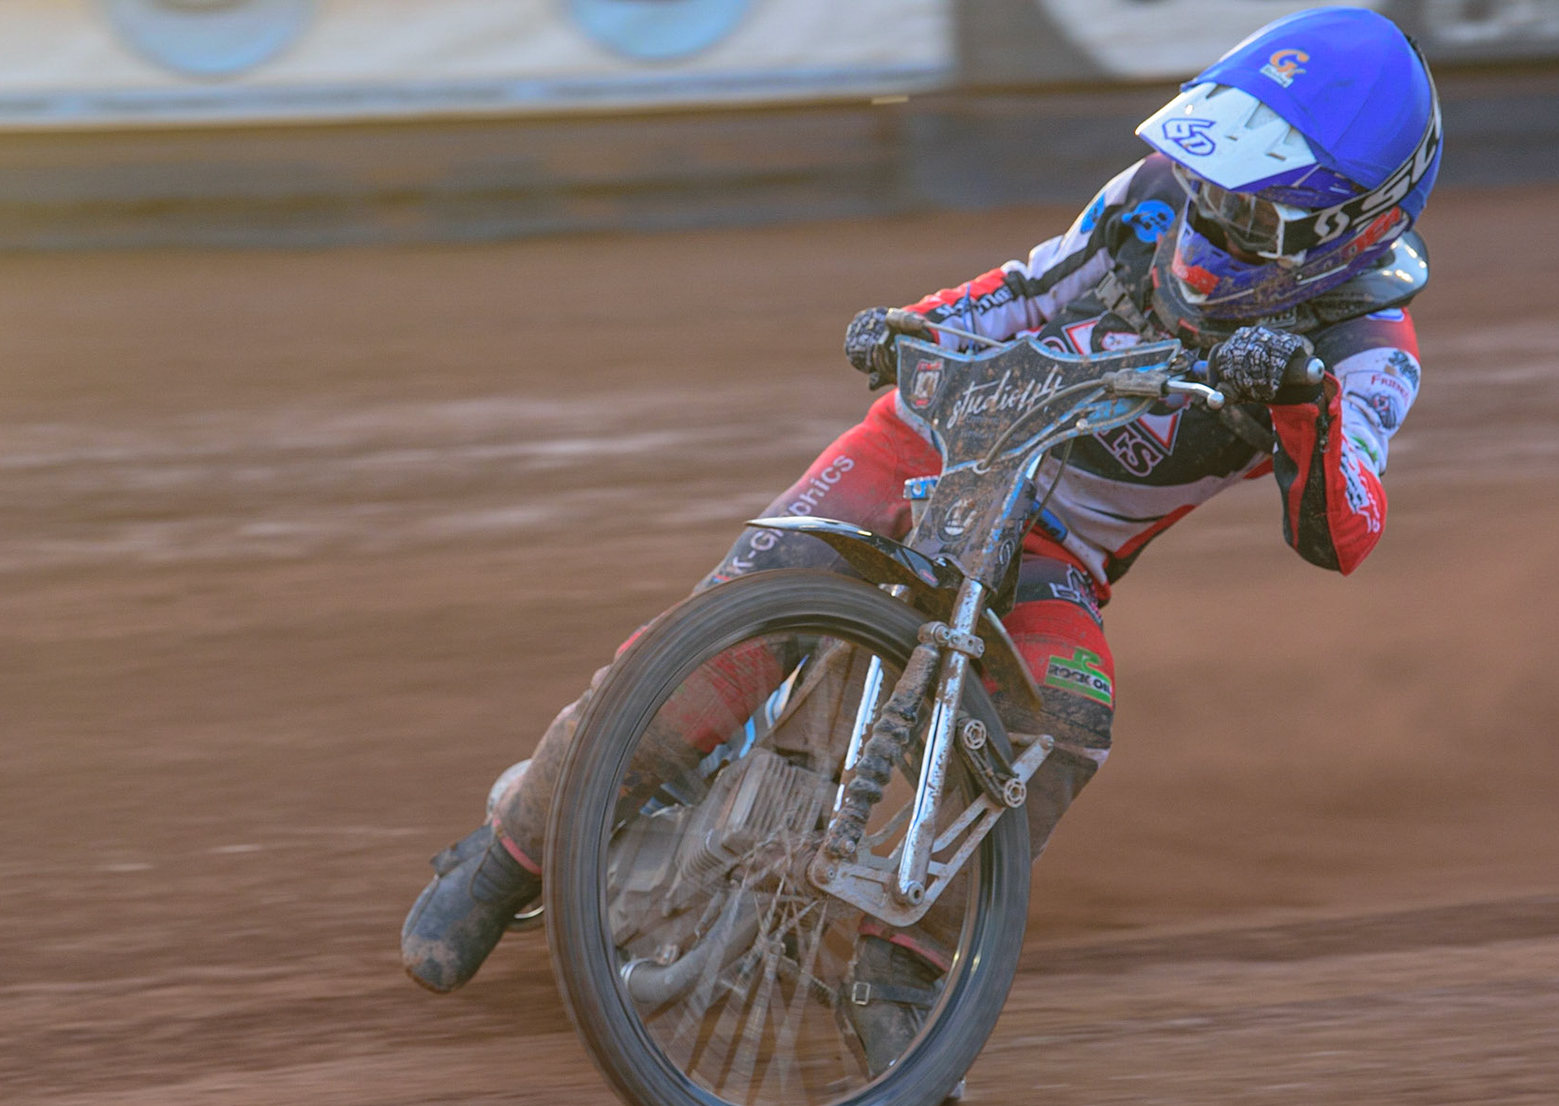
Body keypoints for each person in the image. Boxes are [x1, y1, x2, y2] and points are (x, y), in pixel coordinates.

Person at [400, 6, 1442, 1052]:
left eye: (1250, 209)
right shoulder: (1153, 198)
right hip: (930, 448)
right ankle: (507, 859)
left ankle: (908, 964)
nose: (1209, 216)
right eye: (1211, 182)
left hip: (1056, 550)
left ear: (1351, 228)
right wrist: (916, 325)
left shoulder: (1368, 352)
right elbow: (1027, 292)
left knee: (1066, 721)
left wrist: (1304, 398)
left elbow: (1343, 532)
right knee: (730, 631)